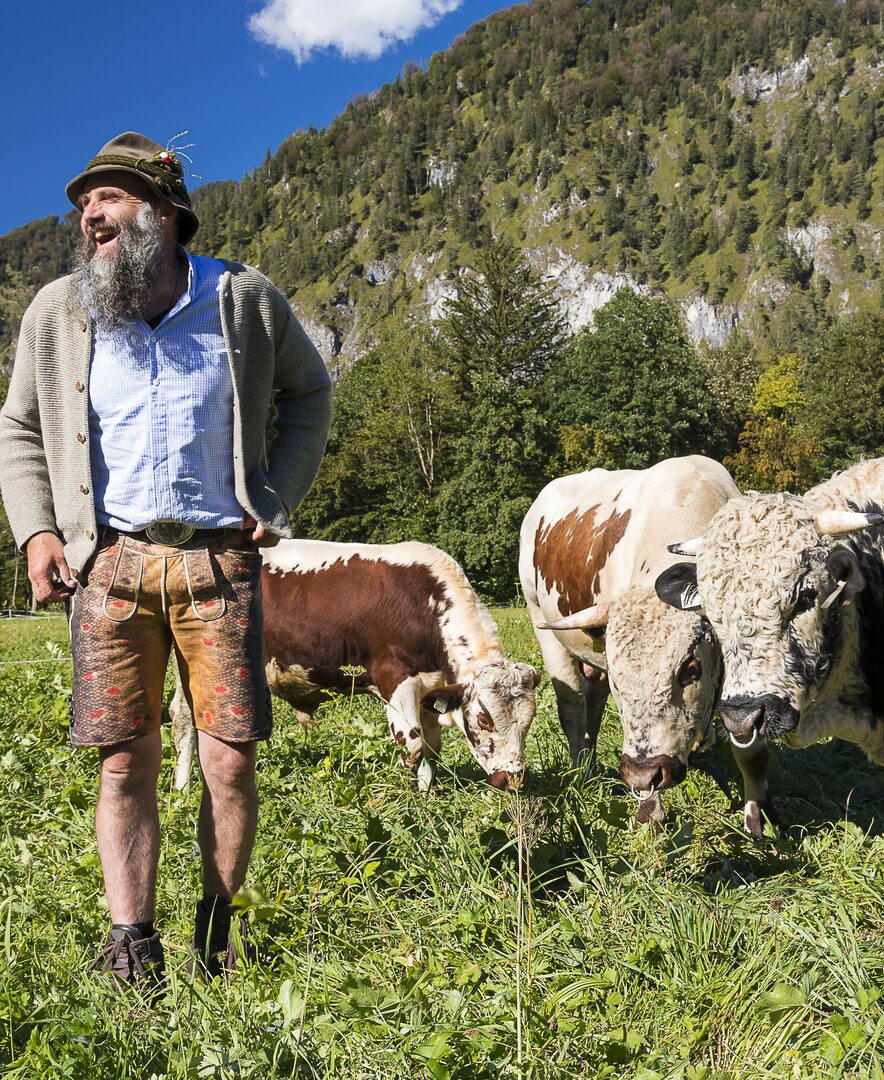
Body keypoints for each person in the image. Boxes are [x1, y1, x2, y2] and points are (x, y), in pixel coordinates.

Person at [0, 131, 332, 987]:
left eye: (108, 196)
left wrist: (279, 496)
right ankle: (131, 943)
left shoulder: (244, 300)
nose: (88, 211)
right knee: (124, 762)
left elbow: (309, 393)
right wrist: (39, 531)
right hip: (108, 568)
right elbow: (20, 428)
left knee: (227, 758)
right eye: (84, 201)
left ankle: (219, 933)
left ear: (164, 213)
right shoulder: (59, 312)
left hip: (218, 565)